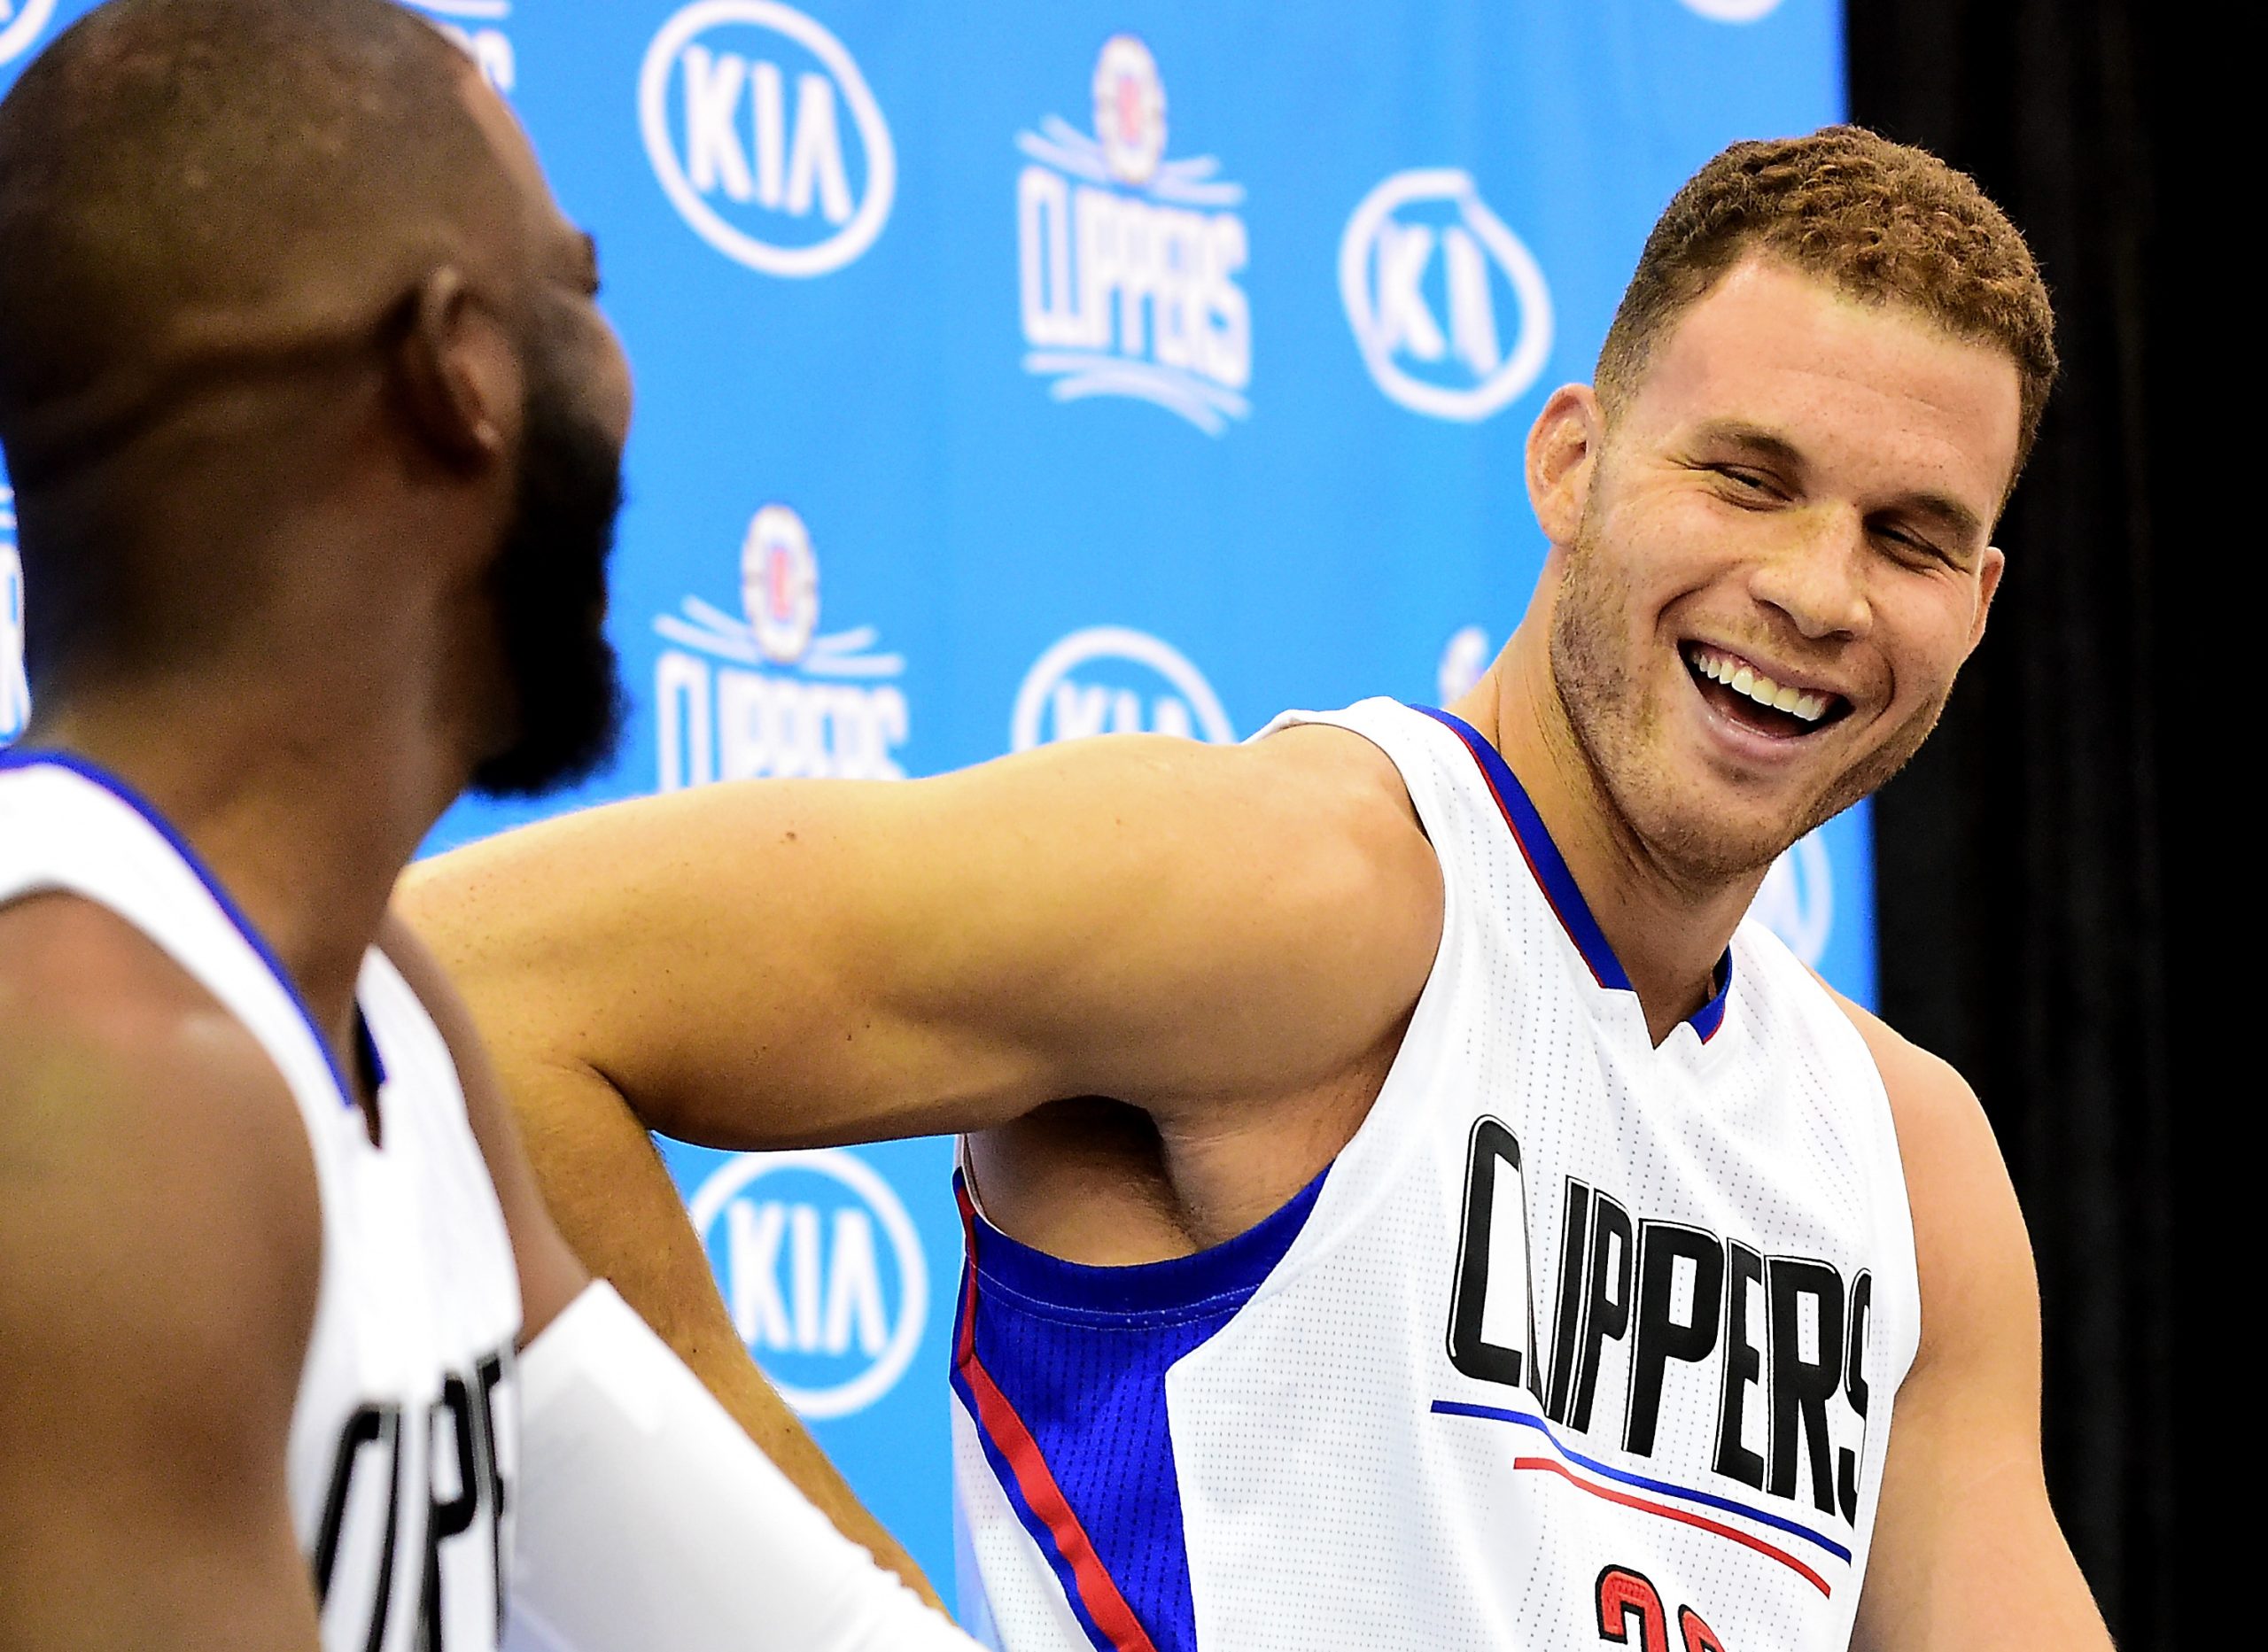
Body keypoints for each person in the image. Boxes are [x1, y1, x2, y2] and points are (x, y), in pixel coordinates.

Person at [406, 128, 2113, 1649]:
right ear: (1572, 463)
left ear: (1979, 596)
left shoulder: (1909, 1163)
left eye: (1907, 536)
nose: (1818, 589)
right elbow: (471, 981)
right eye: (1746, 476)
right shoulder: (1318, 890)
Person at [0, 4, 981, 1648]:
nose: (617, 371)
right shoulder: (98, 1092)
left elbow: (738, 1609)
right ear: (457, 375)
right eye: (577, 293)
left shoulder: (378, 1001)